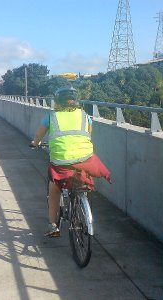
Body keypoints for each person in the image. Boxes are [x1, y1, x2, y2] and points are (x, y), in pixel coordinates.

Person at [31, 87, 111, 237]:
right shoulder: (85, 116)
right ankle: (83, 201)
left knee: (54, 189)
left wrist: (35, 143)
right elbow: (88, 135)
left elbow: (38, 135)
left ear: (57, 102)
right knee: (83, 178)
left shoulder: (51, 117)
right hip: (85, 158)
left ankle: (53, 225)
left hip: (61, 161)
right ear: (76, 102)